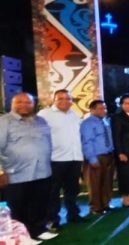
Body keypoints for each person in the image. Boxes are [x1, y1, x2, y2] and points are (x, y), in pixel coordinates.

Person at [0, 93, 58, 241]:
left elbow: (48, 143)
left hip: (42, 172)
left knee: (39, 203)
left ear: (33, 104)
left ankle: (39, 230)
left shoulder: (41, 121)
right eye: (19, 102)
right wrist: (1, 171)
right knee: (18, 207)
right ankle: (21, 237)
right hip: (16, 174)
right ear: (12, 104)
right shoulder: (4, 122)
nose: (24, 105)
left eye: (28, 102)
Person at [38, 89, 85, 229]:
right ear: (54, 100)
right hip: (55, 159)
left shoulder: (75, 114)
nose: (64, 101)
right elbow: (38, 136)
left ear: (71, 101)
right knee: (53, 191)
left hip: (75, 158)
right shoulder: (44, 114)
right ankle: (53, 219)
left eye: (68, 98)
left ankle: (73, 214)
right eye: (60, 98)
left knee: (72, 189)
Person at [80, 99, 115, 216]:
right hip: (96, 156)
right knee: (95, 183)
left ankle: (106, 204)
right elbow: (87, 142)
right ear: (92, 110)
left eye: (104, 108)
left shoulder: (105, 121)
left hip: (108, 155)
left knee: (107, 182)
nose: (103, 110)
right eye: (100, 108)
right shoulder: (87, 123)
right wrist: (92, 159)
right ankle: (96, 207)